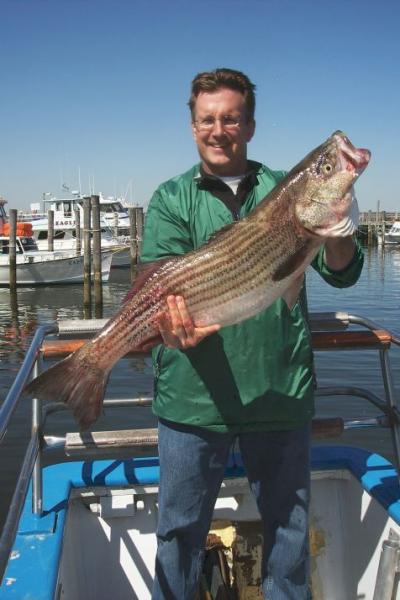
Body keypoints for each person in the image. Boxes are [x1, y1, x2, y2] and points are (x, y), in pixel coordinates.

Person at [140, 68, 364, 600]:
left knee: (289, 535)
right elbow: (159, 286)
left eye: (232, 119)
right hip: (194, 400)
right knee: (177, 535)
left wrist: (336, 233)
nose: (220, 130)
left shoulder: (285, 188)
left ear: (251, 125)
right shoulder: (172, 198)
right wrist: (166, 329)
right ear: (193, 126)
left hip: (279, 390)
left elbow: (342, 272)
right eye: (208, 119)